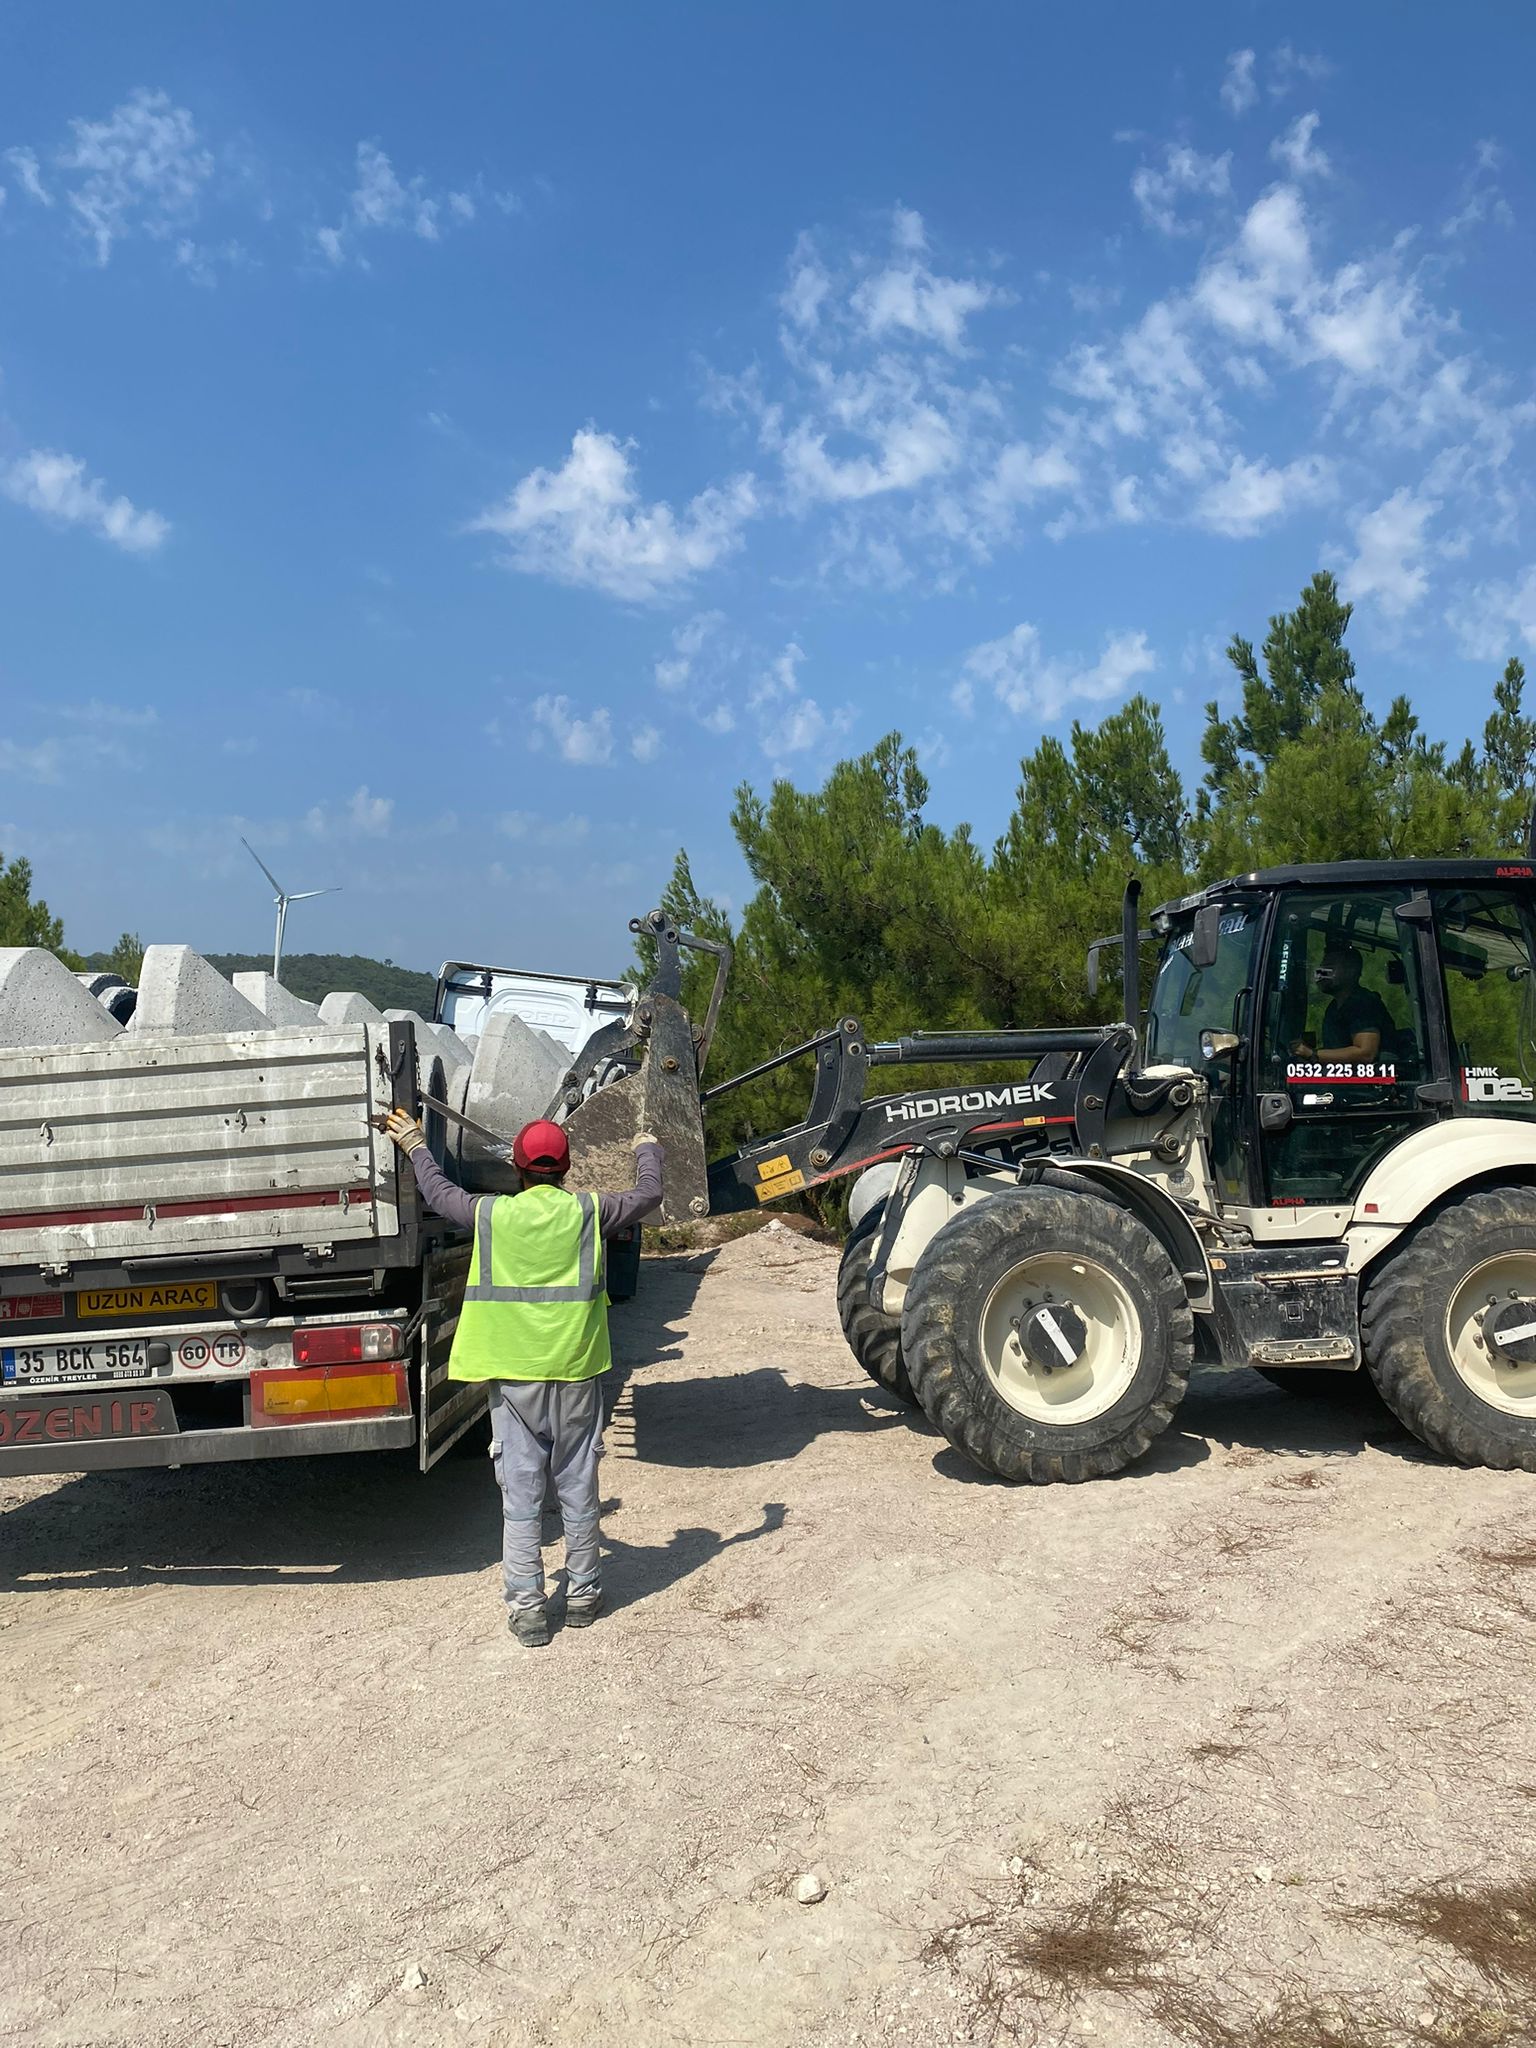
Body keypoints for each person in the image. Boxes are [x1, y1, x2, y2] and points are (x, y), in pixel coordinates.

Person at [384, 1106, 664, 1648]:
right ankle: (583, 1596)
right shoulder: (590, 1211)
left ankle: (529, 1611)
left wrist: (416, 1144)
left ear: (516, 1168)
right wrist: (646, 1147)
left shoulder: (492, 1214)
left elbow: (439, 1194)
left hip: (514, 1376)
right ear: (566, 1168)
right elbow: (648, 1194)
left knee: (522, 1496)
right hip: (576, 1370)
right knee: (578, 1485)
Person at [1291, 942, 1396, 1066]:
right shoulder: (1333, 1008)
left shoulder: (1363, 1004)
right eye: (1322, 967)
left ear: (1351, 971)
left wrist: (1313, 1054)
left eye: (1329, 967)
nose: (1321, 973)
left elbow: (1366, 1053)